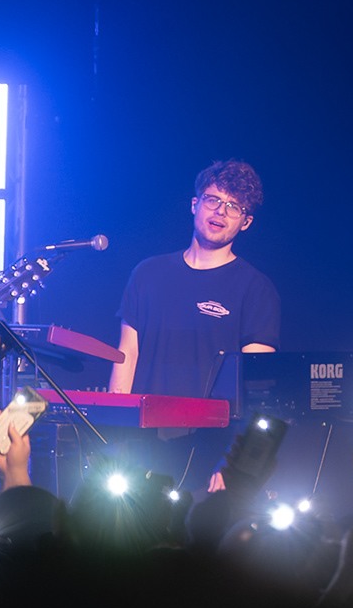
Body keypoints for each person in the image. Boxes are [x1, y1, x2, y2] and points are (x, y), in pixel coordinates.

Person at [108, 160, 281, 490]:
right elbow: (126, 355)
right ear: (195, 204)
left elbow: (256, 387)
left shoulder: (255, 288)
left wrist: (231, 459)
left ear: (246, 222)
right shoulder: (147, 274)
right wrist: (116, 437)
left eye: (234, 207)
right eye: (213, 199)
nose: (221, 212)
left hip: (210, 452)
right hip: (142, 445)